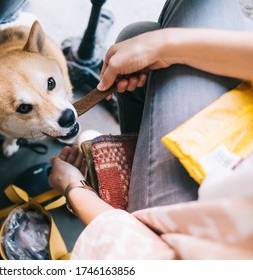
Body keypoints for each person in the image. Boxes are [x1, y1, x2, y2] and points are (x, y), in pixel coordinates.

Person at [48, 0, 253, 259]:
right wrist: (162, 46)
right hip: (242, 171)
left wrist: (72, 187)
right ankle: (133, 151)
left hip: (189, 230)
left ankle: (126, 176)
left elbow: (146, 261)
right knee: (140, 36)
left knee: (140, 38)